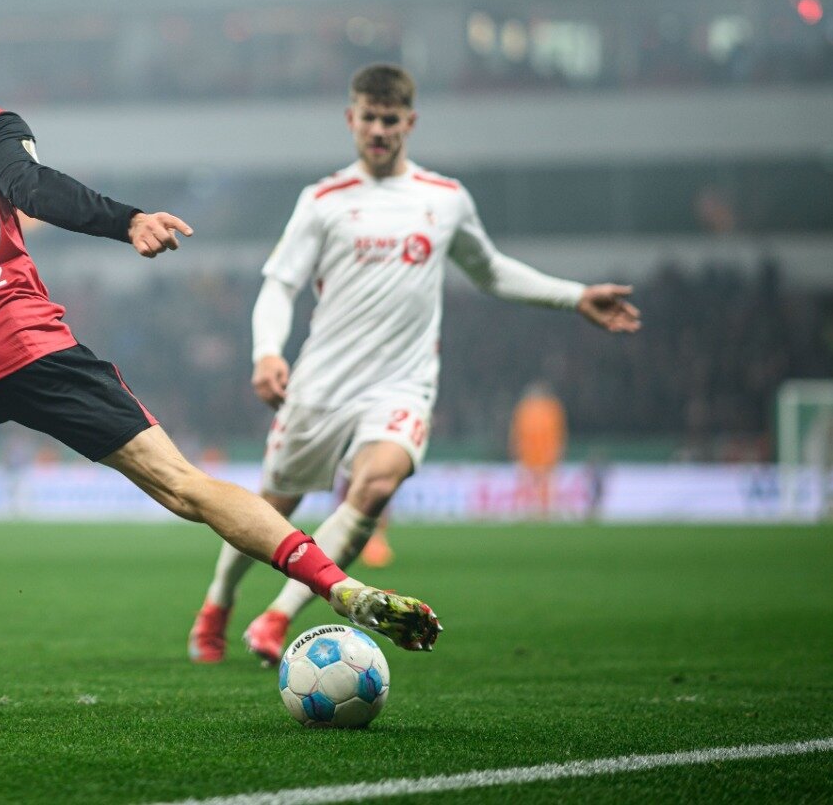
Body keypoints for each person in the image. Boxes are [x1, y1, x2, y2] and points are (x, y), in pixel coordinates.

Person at [0, 19, 441, 726]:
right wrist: (126, 221)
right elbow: (31, 188)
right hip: (22, 343)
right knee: (185, 485)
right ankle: (340, 590)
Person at [189, 63, 640, 666]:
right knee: (274, 507)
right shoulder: (322, 202)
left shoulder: (444, 199)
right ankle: (218, 601)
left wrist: (575, 295)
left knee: (376, 484)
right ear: (351, 119)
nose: (379, 129)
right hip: (321, 383)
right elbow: (279, 285)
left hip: (401, 385)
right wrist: (266, 351)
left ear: (410, 122)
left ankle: (276, 618)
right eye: (368, 118)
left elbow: (492, 270)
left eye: (390, 119)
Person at [511, 381, 567, 520]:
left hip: (546, 456)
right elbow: (517, 431)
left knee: (545, 486)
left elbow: (559, 432)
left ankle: (544, 512)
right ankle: (526, 510)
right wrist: (516, 448)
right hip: (528, 455)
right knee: (528, 484)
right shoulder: (524, 408)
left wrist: (558, 450)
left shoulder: (553, 407)